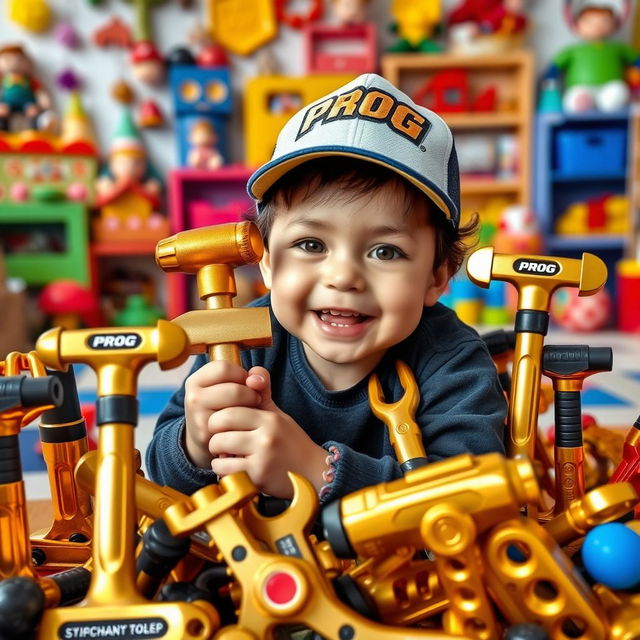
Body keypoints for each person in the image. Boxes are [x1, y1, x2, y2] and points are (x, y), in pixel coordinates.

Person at [146, 73, 507, 502]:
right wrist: (196, 445)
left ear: (438, 276)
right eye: (311, 244)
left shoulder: (454, 362)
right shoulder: (238, 341)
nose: (343, 277)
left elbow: (473, 500)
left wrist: (317, 472)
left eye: (385, 252)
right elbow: (165, 476)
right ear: (265, 259)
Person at [547, 0, 640, 112]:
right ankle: (581, 102)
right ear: (576, 25)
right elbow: (556, 66)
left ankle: (612, 101)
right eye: (589, 22)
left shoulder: (618, 48)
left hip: (609, 89)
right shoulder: (574, 50)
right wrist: (550, 79)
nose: (597, 26)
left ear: (614, 24)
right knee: (576, 96)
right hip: (581, 88)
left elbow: (635, 60)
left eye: (604, 21)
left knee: (618, 91)